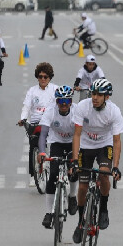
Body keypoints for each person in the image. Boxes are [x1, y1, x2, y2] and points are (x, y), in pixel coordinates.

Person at [70, 79, 123, 243]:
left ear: (107, 97)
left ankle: (104, 210)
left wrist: (115, 167)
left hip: (104, 144)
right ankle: (80, 223)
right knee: (83, 186)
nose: (95, 97)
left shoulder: (114, 111)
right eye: (93, 93)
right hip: (86, 145)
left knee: (104, 174)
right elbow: (77, 135)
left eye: (99, 95)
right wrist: (74, 160)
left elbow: (116, 141)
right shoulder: (82, 107)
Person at [38, 86, 78, 228]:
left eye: (66, 100)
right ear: (56, 101)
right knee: (53, 174)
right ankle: (49, 213)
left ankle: (72, 196)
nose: (63, 104)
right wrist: (42, 152)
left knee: (74, 170)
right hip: (56, 143)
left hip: (73, 143)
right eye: (60, 100)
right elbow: (43, 134)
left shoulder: (77, 111)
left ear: (71, 101)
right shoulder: (50, 111)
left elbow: (83, 133)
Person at [17, 62, 58, 178]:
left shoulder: (56, 89)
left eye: (46, 77)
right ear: (37, 77)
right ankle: (34, 173)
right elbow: (26, 106)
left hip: (51, 123)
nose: (43, 79)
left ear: (50, 77)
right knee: (33, 145)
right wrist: (23, 119)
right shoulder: (32, 91)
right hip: (36, 124)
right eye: (40, 77)